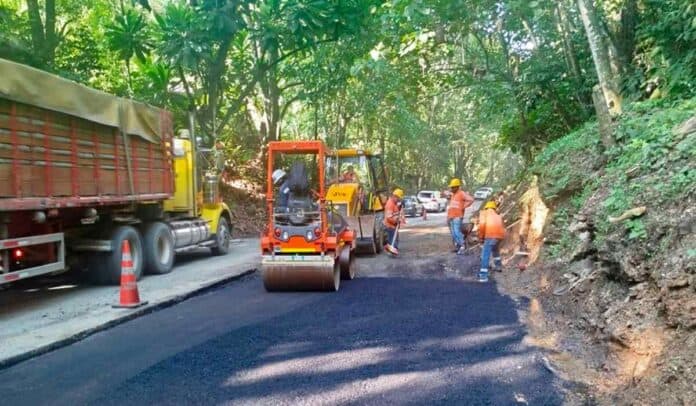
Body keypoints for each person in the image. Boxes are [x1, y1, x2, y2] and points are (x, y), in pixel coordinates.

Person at [477, 201, 506, 283]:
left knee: (485, 254)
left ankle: (483, 276)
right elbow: (503, 227)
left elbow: (482, 225)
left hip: (490, 235)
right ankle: (498, 266)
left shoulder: (484, 213)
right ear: (494, 208)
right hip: (499, 236)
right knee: (495, 250)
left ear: (486, 208)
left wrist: (481, 237)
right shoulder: (498, 215)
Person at [446, 178, 474, 255]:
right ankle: (458, 246)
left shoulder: (461, 193)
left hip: (457, 216)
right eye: (451, 187)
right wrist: (448, 217)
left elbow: (471, 199)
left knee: (457, 232)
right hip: (451, 216)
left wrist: (463, 206)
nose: (451, 189)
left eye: (453, 187)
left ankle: (463, 246)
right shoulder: (453, 195)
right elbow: (451, 206)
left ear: (457, 187)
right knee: (454, 233)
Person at [383, 188, 404, 255]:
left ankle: (391, 248)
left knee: (394, 239)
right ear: (395, 196)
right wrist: (396, 220)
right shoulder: (390, 204)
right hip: (391, 225)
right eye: (398, 198)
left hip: (393, 226)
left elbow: (395, 211)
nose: (399, 200)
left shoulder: (394, 203)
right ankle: (392, 251)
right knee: (393, 240)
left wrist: (399, 207)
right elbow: (389, 217)